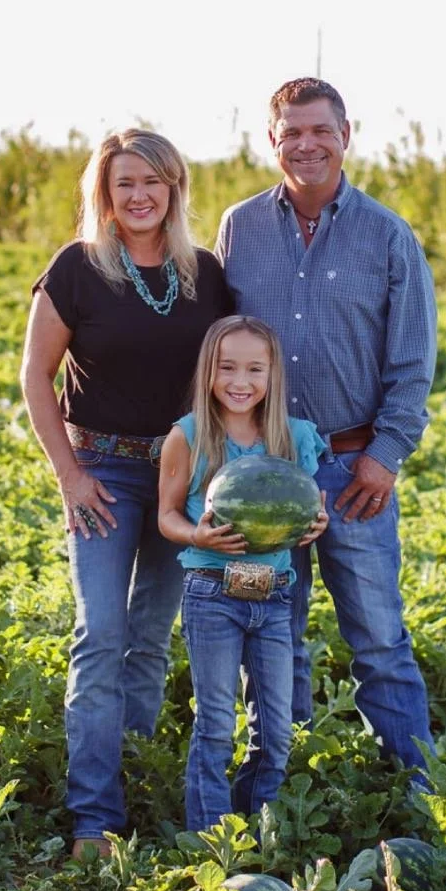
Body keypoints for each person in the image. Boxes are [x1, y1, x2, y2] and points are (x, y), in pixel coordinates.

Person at [215, 78, 437, 782]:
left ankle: (421, 786)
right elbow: (219, 347)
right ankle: (276, 779)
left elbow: (412, 360)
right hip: (258, 468)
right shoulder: (238, 228)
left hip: (352, 473)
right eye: (292, 133)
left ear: (347, 134)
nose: (306, 145)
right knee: (265, 625)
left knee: (377, 634)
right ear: (271, 140)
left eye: (320, 130)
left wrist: (385, 456)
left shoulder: (388, 234)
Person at [20, 129, 233, 860]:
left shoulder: (205, 272)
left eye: (152, 181)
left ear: (173, 187)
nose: (139, 195)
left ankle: (135, 775)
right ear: (104, 196)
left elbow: (232, 372)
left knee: (150, 635)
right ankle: (93, 819)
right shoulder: (78, 269)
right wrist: (69, 475)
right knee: (101, 633)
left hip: (180, 475)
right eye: (123, 184)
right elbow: (34, 378)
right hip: (102, 475)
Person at [157, 316, 329, 832]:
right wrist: (197, 536)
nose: (241, 380)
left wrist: (314, 523)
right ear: (208, 371)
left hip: (274, 596)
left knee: (276, 731)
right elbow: (166, 516)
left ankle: (255, 826)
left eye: (255, 368)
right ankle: (212, 838)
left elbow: (308, 510)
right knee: (214, 726)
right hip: (212, 593)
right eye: (227, 367)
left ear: (273, 375)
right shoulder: (188, 436)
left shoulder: (294, 439)